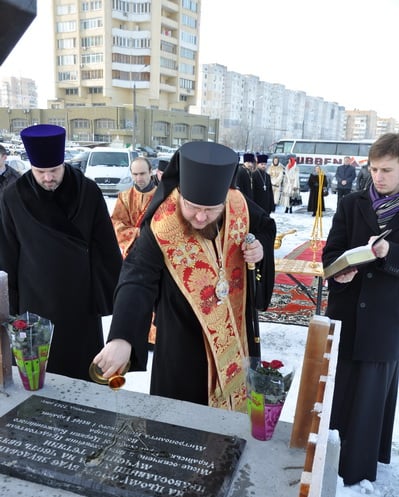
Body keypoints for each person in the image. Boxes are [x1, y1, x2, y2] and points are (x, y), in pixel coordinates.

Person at [93, 141, 276, 411]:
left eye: (211, 210)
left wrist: (259, 246)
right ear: (180, 195)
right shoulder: (163, 224)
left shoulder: (236, 203)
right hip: (183, 338)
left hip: (235, 334)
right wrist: (123, 337)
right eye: (192, 207)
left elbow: (265, 226)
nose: (201, 217)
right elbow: (137, 278)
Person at [0, 124, 122, 381]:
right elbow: (7, 253)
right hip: (34, 302)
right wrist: (10, 308)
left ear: (63, 163)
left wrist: (107, 297)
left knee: (82, 375)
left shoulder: (87, 191)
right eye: (40, 171)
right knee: (40, 377)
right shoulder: (13, 196)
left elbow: (106, 248)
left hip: (80, 302)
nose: (47, 178)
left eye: (53, 170)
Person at [322, 132, 399, 486]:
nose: (378, 177)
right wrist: (339, 273)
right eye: (374, 169)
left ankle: (358, 472)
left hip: (385, 319)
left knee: (370, 395)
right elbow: (331, 251)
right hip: (348, 311)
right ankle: (329, 459)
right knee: (340, 389)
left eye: (387, 170)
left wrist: (389, 255)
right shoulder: (353, 203)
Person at [111, 157, 157, 258]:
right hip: (131, 253)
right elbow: (116, 223)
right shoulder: (124, 197)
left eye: (142, 173)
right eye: (135, 174)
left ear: (150, 172)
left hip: (155, 252)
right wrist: (137, 232)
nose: (139, 178)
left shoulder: (162, 196)